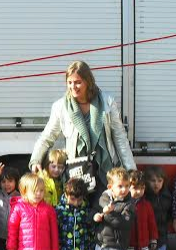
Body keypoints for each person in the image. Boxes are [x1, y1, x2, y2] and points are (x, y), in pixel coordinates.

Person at [29, 61, 136, 201]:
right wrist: (36, 159)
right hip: (77, 171)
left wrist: (130, 169)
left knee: (104, 210)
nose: (73, 87)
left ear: (88, 81)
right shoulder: (60, 106)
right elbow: (48, 136)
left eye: (78, 82)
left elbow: (119, 137)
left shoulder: (107, 101)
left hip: (105, 170)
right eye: (69, 82)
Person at [125, 170, 158, 250]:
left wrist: (153, 239)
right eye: (135, 188)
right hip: (128, 244)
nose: (138, 191)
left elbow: (152, 223)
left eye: (142, 188)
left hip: (143, 244)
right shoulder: (124, 204)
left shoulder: (147, 205)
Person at [142, 166, 173, 250]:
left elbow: (170, 210)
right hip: (146, 232)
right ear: (146, 181)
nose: (156, 184)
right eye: (153, 181)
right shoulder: (144, 197)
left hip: (161, 231)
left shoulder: (166, 195)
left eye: (159, 181)